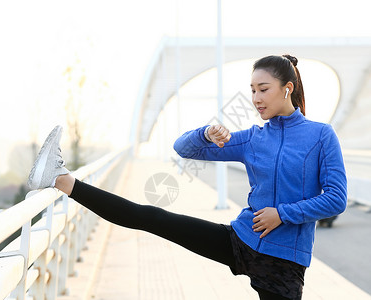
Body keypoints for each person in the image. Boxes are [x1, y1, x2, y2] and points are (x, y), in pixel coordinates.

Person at [28, 54, 347, 300]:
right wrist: (206, 134)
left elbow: (336, 198)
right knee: (150, 216)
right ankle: (60, 178)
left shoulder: (320, 136)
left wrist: (282, 214)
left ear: (287, 88)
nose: (256, 98)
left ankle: (59, 177)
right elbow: (183, 148)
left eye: (263, 89)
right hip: (241, 239)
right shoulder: (253, 138)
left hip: (283, 259)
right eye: (251, 90)